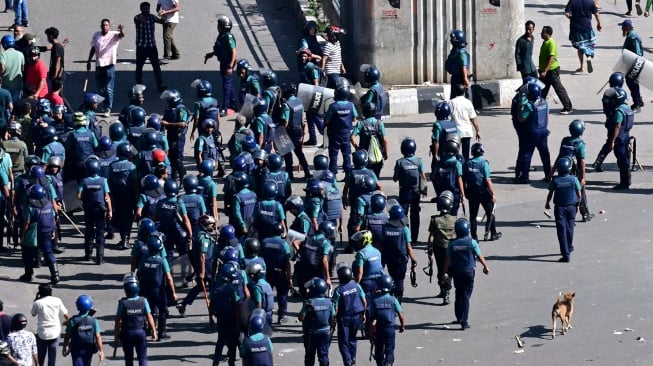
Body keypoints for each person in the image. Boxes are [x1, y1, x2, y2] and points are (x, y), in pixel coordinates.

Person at [444, 218, 490, 330]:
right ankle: (464, 321)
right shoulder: (472, 242)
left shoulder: (452, 244)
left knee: (458, 292)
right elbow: (479, 256)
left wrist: (445, 272)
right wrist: (485, 266)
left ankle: (459, 316)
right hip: (469, 272)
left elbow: (448, 260)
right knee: (465, 295)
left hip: (456, 272)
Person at [550, 120, 594, 222]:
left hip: (563, 169)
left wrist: (552, 170)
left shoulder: (565, 141)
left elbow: (560, 156)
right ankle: (585, 214)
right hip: (575, 171)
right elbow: (582, 162)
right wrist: (583, 177)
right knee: (580, 192)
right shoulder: (580, 144)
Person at [593, 87, 634, 189]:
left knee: (622, 160)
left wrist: (612, 141)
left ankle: (624, 183)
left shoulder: (618, 111)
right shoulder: (627, 108)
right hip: (626, 136)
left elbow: (617, 126)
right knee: (625, 159)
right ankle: (627, 180)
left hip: (619, 138)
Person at [138, 235, 177, 340]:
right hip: (158, 289)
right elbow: (169, 278)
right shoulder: (162, 261)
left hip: (146, 288)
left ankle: (149, 329)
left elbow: (138, 272)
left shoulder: (145, 258)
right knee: (162, 310)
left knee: (149, 310)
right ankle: (161, 332)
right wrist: (173, 292)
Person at [177, 215, 216, 317]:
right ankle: (213, 307)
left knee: (199, 286)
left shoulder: (197, 233)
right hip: (206, 264)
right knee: (213, 285)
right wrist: (202, 272)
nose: (212, 226)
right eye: (210, 225)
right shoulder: (204, 238)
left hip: (201, 264)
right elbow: (202, 256)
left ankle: (183, 304)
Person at [114, 274, 157, 366]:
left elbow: (118, 320)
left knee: (128, 358)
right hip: (140, 332)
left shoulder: (122, 303)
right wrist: (153, 330)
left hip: (127, 333)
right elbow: (149, 316)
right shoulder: (143, 301)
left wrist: (116, 334)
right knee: (142, 357)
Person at [545, 157, 582, 262]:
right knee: (570, 227)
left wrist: (547, 203)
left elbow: (550, 193)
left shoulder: (556, 180)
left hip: (560, 208)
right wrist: (578, 205)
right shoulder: (574, 179)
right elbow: (579, 194)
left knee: (561, 230)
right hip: (572, 207)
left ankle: (565, 254)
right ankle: (569, 247)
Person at [87, 18, 125, 117]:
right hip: (99, 65)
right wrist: (89, 60)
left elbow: (121, 35)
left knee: (108, 88)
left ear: (109, 26)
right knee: (100, 88)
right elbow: (93, 48)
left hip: (109, 65)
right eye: (103, 25)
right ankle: (104, 104)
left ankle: (108, 108)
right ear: (101, 26)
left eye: (106, 25)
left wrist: (121, 30)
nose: (105, 27)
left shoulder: (114, 35)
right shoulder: (96, 35)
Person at [463, 143, 501, 241]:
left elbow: (464, 179)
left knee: (473, 216)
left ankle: (474, 237)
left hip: (471, 193)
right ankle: (493, 233)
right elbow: (488, 180)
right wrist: (493, 194)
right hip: (483, 192)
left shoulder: (467, 163)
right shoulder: (484, 163)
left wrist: (465, 193)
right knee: (490, 213)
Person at [515, 83, 551, 182]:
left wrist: (519, 106)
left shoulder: (529, 105)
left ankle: (524, 176)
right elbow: (547, 117)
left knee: (527, 154)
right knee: (545, 154)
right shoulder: (544, 102)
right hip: (543, 130)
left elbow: (521, 118)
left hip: (532, 132)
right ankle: (548, 174)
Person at [393, 138, 427, 242]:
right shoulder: (419, 161)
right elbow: (423, 177)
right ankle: (415, 237)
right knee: (415, 214)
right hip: (415, 192)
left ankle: (405, 236)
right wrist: (424, 190)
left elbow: (395, 178)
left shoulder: (399, 162)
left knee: (403, 214)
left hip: (404, 192)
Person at [382, 204, 416, 303]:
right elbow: (409, 247)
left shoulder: (386, 227)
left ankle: (392, 296)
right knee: (400, 280)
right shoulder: (404, 228)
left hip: (389, 258)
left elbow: (382, 243)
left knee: (392, 277)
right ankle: (398, 300)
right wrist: (413, 260)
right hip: (401, 259)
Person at [332, 265, 365, 366]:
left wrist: (332, 319)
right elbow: (364, 300)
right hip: (357, 315)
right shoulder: (357, 285)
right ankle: (353, 359)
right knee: (352, 338)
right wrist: (364, 314)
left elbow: (335, 307)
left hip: (344, 318)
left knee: (343, 341)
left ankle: (347, 361)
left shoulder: (338, 290)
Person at [209, 262, 242, 366]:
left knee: (220, 341)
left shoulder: (216, 287)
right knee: (232, 343)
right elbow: (237, 306)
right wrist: (238, 322)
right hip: (231, 318)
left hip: (220, 318)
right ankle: (231, 363)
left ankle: (215, 363)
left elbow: (211, 304)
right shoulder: (232, 289)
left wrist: (211, 316)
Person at [427, 191, 456, 304]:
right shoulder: (455, 219)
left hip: (438, 248)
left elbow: (431, 237)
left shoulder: (435, 220)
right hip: (451, 248)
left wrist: (429, 250)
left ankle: (443, 290)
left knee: (440, 269)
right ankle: (446, 291)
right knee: (448, 269)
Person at [368, 275, 405, 366]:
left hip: (379, 329)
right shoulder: (393, 300)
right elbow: (401, 315)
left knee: (379, 349)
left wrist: (370, 329)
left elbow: (371, 316)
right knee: (389, 349)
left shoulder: (375, 301)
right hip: (390, 329)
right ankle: (388, 363)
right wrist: (402, 326)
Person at [30, 284, 70, 366]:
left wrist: (36, 299)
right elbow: (66, 315)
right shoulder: (57, 300)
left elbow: (33, 314)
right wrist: (69, 323)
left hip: (42, 333)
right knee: (52, 358)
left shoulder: (38, 303)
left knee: (41, 356)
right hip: (55, 332)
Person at [205, 15, 237, 115]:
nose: (218, 27)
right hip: (223, 63)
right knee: (228, 83)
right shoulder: (221, 36)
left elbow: (234, 53)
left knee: (226, 86)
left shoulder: (229, 37)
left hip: (227, 64)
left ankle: (225, 107)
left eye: (219, 25)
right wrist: (211, 54)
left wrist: (230, 66)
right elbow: (220, 48)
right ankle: (233, 103)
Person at [299, 277, 335, 366]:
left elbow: (301, 317)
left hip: (311, 333)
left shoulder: (309, 302)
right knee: (323, 355)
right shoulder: (329, 303)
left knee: (310, 355)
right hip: (324, 332)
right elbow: (333, 317)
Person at [325, 77, 357, 175]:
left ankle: (333, 174)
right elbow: (354, 118)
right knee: (347, 155)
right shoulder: (351, 105)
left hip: (334, 135)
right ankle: (348, 174)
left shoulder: (333, 107)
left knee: (333, 155)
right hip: (346, 134)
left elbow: (327, 120)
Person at [538, 25, 573, 115]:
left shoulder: (551, 43)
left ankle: (568, 107)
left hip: (551, 71)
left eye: (543, 32)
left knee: (559, 89)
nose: (541, 33)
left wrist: (545, 71)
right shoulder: (545, 42)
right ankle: (538, 107)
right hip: (545, 71)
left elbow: (551, 58)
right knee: (542, 89)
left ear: (548, 34)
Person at [279, 83, 311, 179]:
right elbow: (302, 119)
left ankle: (290, 174)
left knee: (287, 154)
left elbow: (285, 122)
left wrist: (281, 132)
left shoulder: (286, 105)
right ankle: (307, 172)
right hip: (298, 130)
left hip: (289, 131)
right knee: (299, 153)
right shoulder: (299, 102)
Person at [62, 295, 104, 366]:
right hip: (89, 349)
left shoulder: (73, 321)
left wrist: (64, 347)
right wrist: (101, 351)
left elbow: (67, 335)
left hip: (76, 349)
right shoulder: (94, 321)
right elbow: (98, 336)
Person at [134, 1, 166, 92]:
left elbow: (161, 21)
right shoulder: (137, 17)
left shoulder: (152, 17)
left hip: (152, 46)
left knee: (156, 66)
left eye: (148, 8)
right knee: (139, 66)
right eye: (144, 8)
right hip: (141, 47)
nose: (147, 10)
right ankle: (139, 83)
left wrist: (163, 14)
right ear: (141, 9)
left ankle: (160, 85)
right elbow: (139, 21)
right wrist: (143, 18)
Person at [351, 102, 388, 177]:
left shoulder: (360, 123)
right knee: (376, 177)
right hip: (377, 155)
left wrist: (357, 148)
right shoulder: (379, 123)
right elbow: (385, 140)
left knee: (365, 176)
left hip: (364, 156)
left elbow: (352, 137)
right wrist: (386, 153)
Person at [564, 0, 602, 74]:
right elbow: (597, 14)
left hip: (576, 27)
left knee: (580, 47)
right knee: (589, 44)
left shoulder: (572, 1)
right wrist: (599, 24)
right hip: (587, 27)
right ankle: (589, 57)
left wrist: (572, 18)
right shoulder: (590, 2)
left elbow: (566, 13)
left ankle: (581, 67)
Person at [160, 89, 189, 180]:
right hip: (170, 135)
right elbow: (164, 120)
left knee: (178, 159)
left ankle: (182, 177)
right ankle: (173, 176)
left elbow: (182, 124)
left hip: (178, 136)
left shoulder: (181, 109)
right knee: (171, 157)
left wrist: (167, 124)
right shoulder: (168, 108)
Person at [449, 84, 480, 162]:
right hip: (467, 131)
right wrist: (477, 131)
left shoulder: (451, 103)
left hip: (455, 132)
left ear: (455, 91)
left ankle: (458, 170)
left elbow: (448, 119)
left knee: (454, 152)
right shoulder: (468, 102)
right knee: (465, 154)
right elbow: (473, 118)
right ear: (464, 92)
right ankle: (465, 169)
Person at [619, 19, 644, 112]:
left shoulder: (633, 37)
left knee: (632, 84)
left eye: (623, 27)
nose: (622, 29)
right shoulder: (630, 35)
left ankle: (637, 104)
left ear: (628, 27)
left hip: (634, 65)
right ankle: (638, 100)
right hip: (631, 64)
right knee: (632, 83)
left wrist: (633, 65)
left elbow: (637, 53)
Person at [445, 30, 471, 97]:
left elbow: (463, 67)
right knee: (454, 97)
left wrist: (465, 79)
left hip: (460, 79)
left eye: (453, 39)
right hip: (455, 78)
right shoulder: (455, 51)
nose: (451, 41)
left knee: (461, 97)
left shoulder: (462, 53)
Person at [0, 35, 25, 104]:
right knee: (16, 104)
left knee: (7, 104)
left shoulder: (3, 55)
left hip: (6, 85)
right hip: (18, 84)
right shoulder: (20, 54)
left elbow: (2, 68)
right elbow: (22, 68)